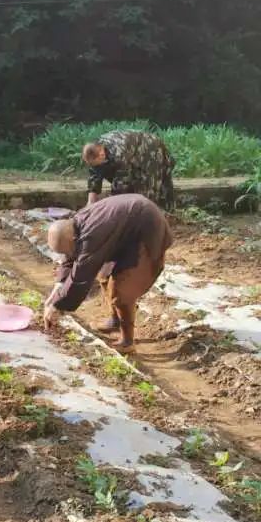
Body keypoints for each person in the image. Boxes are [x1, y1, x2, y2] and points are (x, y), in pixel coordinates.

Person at [43, 194, 173, 354]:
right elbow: (71, 257)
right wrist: (59, 285)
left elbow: (81, 276)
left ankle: (127, 341)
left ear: (74, 238)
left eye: (69, 248)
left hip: (146, 230)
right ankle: (115, 320)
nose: (69, 254)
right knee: (104, 276)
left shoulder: (92, 234)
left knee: (123, 290)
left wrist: (57, 305)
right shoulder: (76, 226)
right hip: (126, 231)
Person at [82, 130, 176, 210]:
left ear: (102, 154)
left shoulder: (119, 155)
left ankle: (162, 212)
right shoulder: (95, 150)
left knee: (148, 186)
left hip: (149, 148)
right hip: (131, 150)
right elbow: (94, 176)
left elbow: (121, 186)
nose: (95, 166)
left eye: (97, 164)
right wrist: (91, 202)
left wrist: (109, 207)